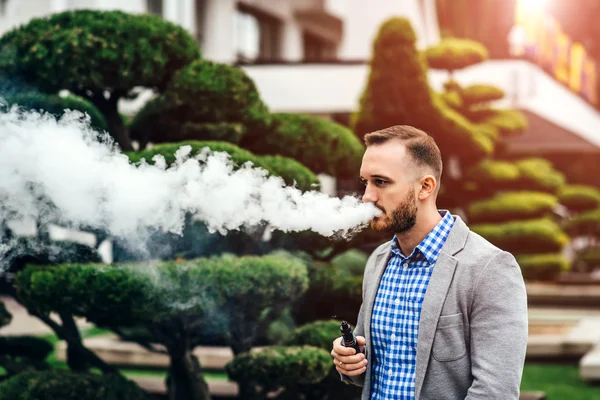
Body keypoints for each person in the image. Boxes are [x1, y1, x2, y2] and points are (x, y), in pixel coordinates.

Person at [331, 125, 528, 400]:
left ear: (425, 187)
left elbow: (496, 391)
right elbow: (375, 369)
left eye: (381, 182)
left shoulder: (490, 268)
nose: (367, 196)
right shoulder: (378, 260)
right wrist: (351, 361)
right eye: (365, 182)